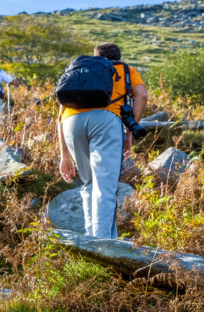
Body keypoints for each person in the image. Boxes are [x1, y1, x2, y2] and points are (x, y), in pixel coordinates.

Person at [58, 42, 148, 239]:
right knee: (105, 185)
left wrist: (64, 155)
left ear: (95, 56)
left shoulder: (81, 70)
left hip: (70, 123)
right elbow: (141, 95)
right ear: (119, 56)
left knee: (89, 183)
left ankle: (92, 237)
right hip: (105, 121)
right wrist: (130, 130)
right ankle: (102, 245)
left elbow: (60, 114)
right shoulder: (124, 70)